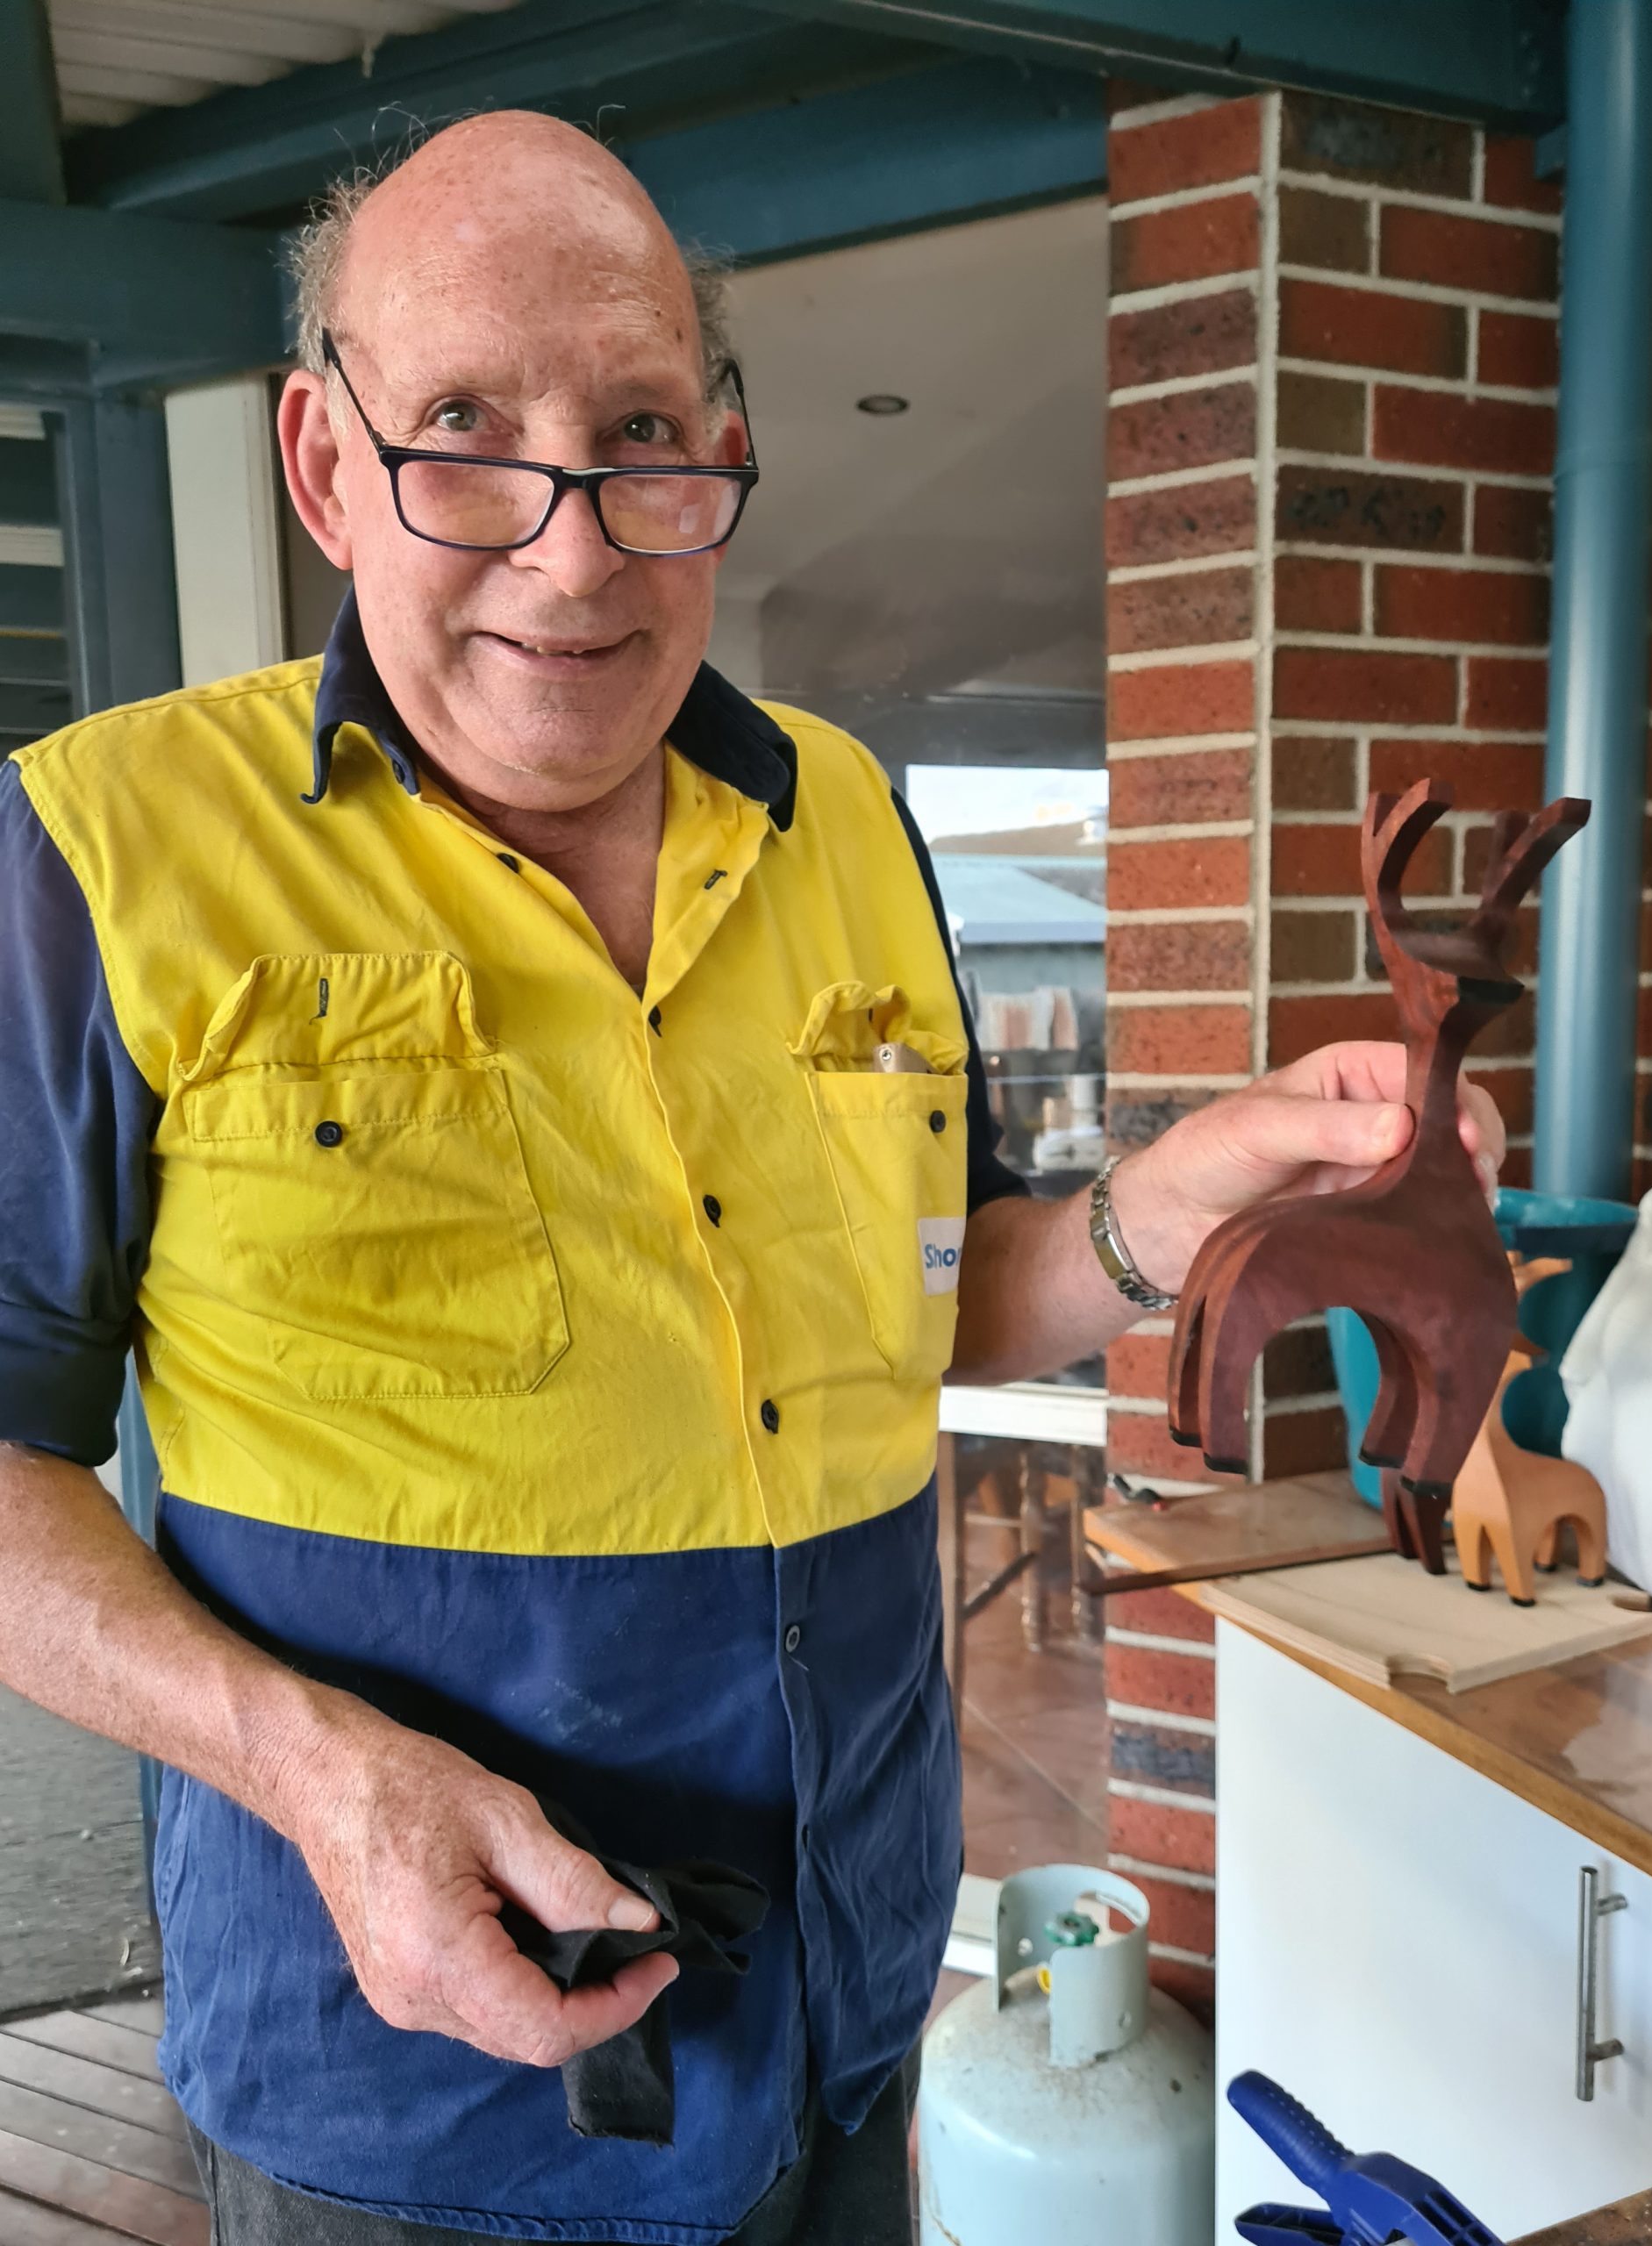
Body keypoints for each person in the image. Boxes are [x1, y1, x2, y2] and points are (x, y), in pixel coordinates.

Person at [0, 111, 1501, 2245]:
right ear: (324, 469)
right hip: (415, 2099)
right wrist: (321, 1778)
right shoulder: (97, 853)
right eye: (461, 431)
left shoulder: (854, 824)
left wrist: (1222, 1171)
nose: (574, 543)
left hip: (841, 2005)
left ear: (721, 449)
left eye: (637, 435)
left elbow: (924, 1297)